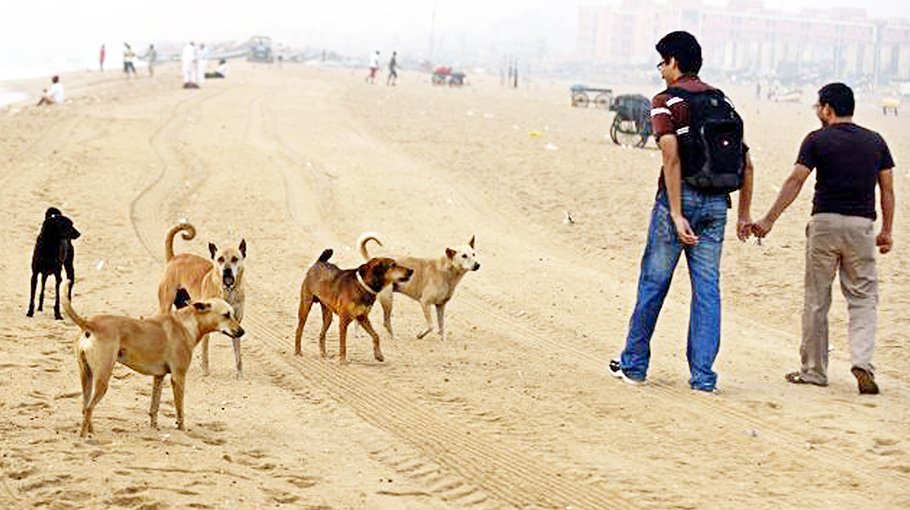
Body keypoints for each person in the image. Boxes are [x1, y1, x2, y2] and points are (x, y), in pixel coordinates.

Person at [608, 31, 753, 393]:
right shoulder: (722, 101)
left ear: (674, 61)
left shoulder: (665, 101)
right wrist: (743, 215)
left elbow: (670, 155)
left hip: (679, 200)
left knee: (654, 283)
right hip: (717, 204)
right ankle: (703, 378)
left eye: (661, 62)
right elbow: (747, 164)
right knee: (707, 290)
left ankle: (634, 365)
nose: (659, 70)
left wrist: (675, 213)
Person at [752, 83, 895, 395]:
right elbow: (886, 189)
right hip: (862, 226)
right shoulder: (876, 142)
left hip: (824, 224)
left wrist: (768, 219)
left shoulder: (816, 139)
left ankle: (814, 370)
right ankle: (863, 362)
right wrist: (887, 231)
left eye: (819, 107)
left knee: (817, 298)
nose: (818, 112)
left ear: (828, 108)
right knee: (863, 298)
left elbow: (796, 181)